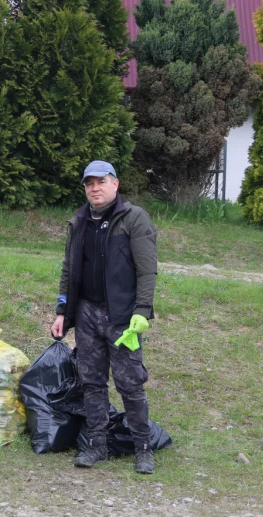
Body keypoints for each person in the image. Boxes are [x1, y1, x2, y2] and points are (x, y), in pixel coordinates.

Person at [50, 161, 159, 474]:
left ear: (116, 184)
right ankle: (97, 445)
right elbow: (69, 271)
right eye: (89, 184)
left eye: (101, 182)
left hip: (123, 318)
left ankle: (143, 448)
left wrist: (142, 311)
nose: (95, 188)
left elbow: (147, 269)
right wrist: (62, 311)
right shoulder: (79, 221)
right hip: (86, 314)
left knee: (130, 384)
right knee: (92, 382)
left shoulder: (134, 219)